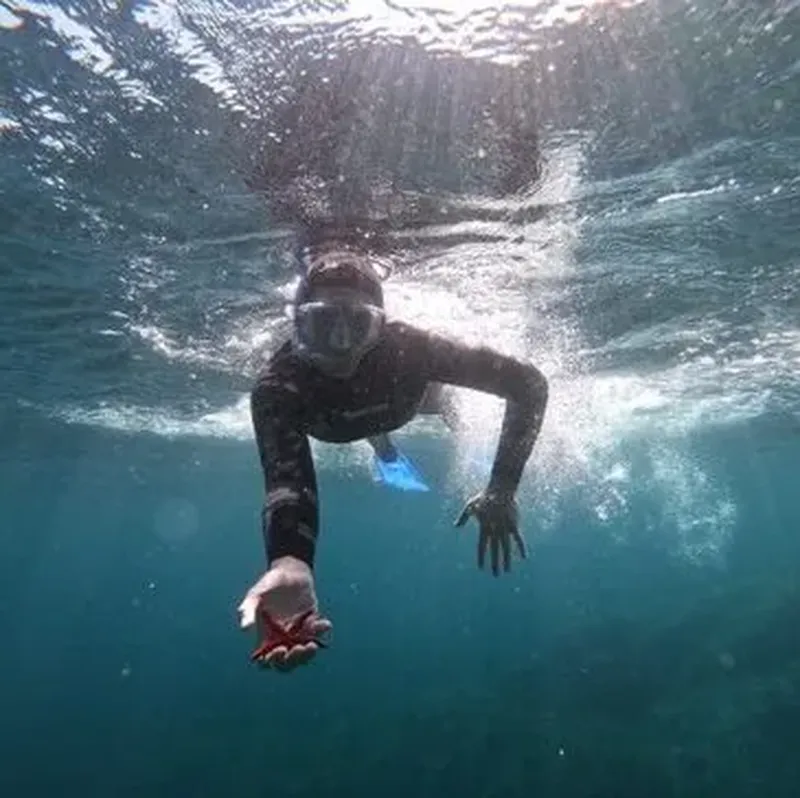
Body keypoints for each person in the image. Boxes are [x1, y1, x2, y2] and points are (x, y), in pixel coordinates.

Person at [238, 242, 549, 671]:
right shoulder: (278, 387)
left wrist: (502, 488)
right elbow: (287, 484)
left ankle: (395, 440)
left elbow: (528, 383)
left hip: (407, 401)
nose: (342, 343)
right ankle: (382, 447)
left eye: (359, 323)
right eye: (323, 322)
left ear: (381, 327)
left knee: (443, 403)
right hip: (357, 416)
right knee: (375, 426)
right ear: (297, 326)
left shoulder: (412, 351)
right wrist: (290, 561)